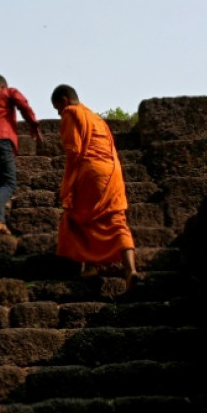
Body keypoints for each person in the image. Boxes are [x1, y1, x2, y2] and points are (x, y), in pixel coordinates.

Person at [50, 84, 141, 290]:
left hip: (91, 173)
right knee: (116, 221)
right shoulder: (95, 118)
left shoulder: (70, 114)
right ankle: (130, 271)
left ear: (64, 101)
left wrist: (67, 186)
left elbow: (74, 152)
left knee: (78, 217)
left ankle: (90, 265)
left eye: (57, 109)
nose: (59, 113)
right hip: (113, 172)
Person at [0, 74, 43, 238]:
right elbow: (22, 104)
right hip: (1, 140)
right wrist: (33, 124)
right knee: (9, 184)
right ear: (3, 86)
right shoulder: (8, 92)